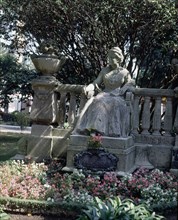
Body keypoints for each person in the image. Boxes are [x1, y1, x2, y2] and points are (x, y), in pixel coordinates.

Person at [73, 47, 135, 137]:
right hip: (104, 94)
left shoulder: (124, 72)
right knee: (97, 101)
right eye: (108, 57)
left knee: (113, 103)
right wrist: (88, 88)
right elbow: (95, 83)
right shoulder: (104, 70)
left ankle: (110, 132)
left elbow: (131, 83)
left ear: (118, 59)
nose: (109, 59)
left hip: (117, 96)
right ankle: (94, 130)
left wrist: (125, 88)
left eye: (111, 57)